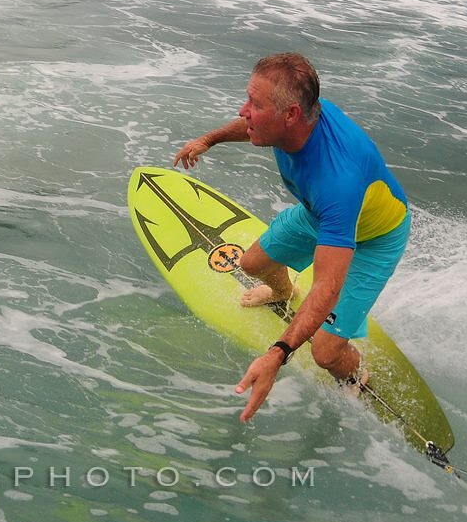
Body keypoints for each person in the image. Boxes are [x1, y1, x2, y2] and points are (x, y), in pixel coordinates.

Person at [172, 52, 410, 423]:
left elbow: (327, 285)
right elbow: (251, 126)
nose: (243, 110)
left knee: (325, 352)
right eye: (247, 98)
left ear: (291, 115)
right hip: (320, 215)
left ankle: (356, 376)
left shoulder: (337, 180)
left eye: (255, 103)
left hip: (374, 238)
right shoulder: (297, 115)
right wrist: (209, 139)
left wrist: (277, 353)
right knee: (251, 264)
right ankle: (283, 290)